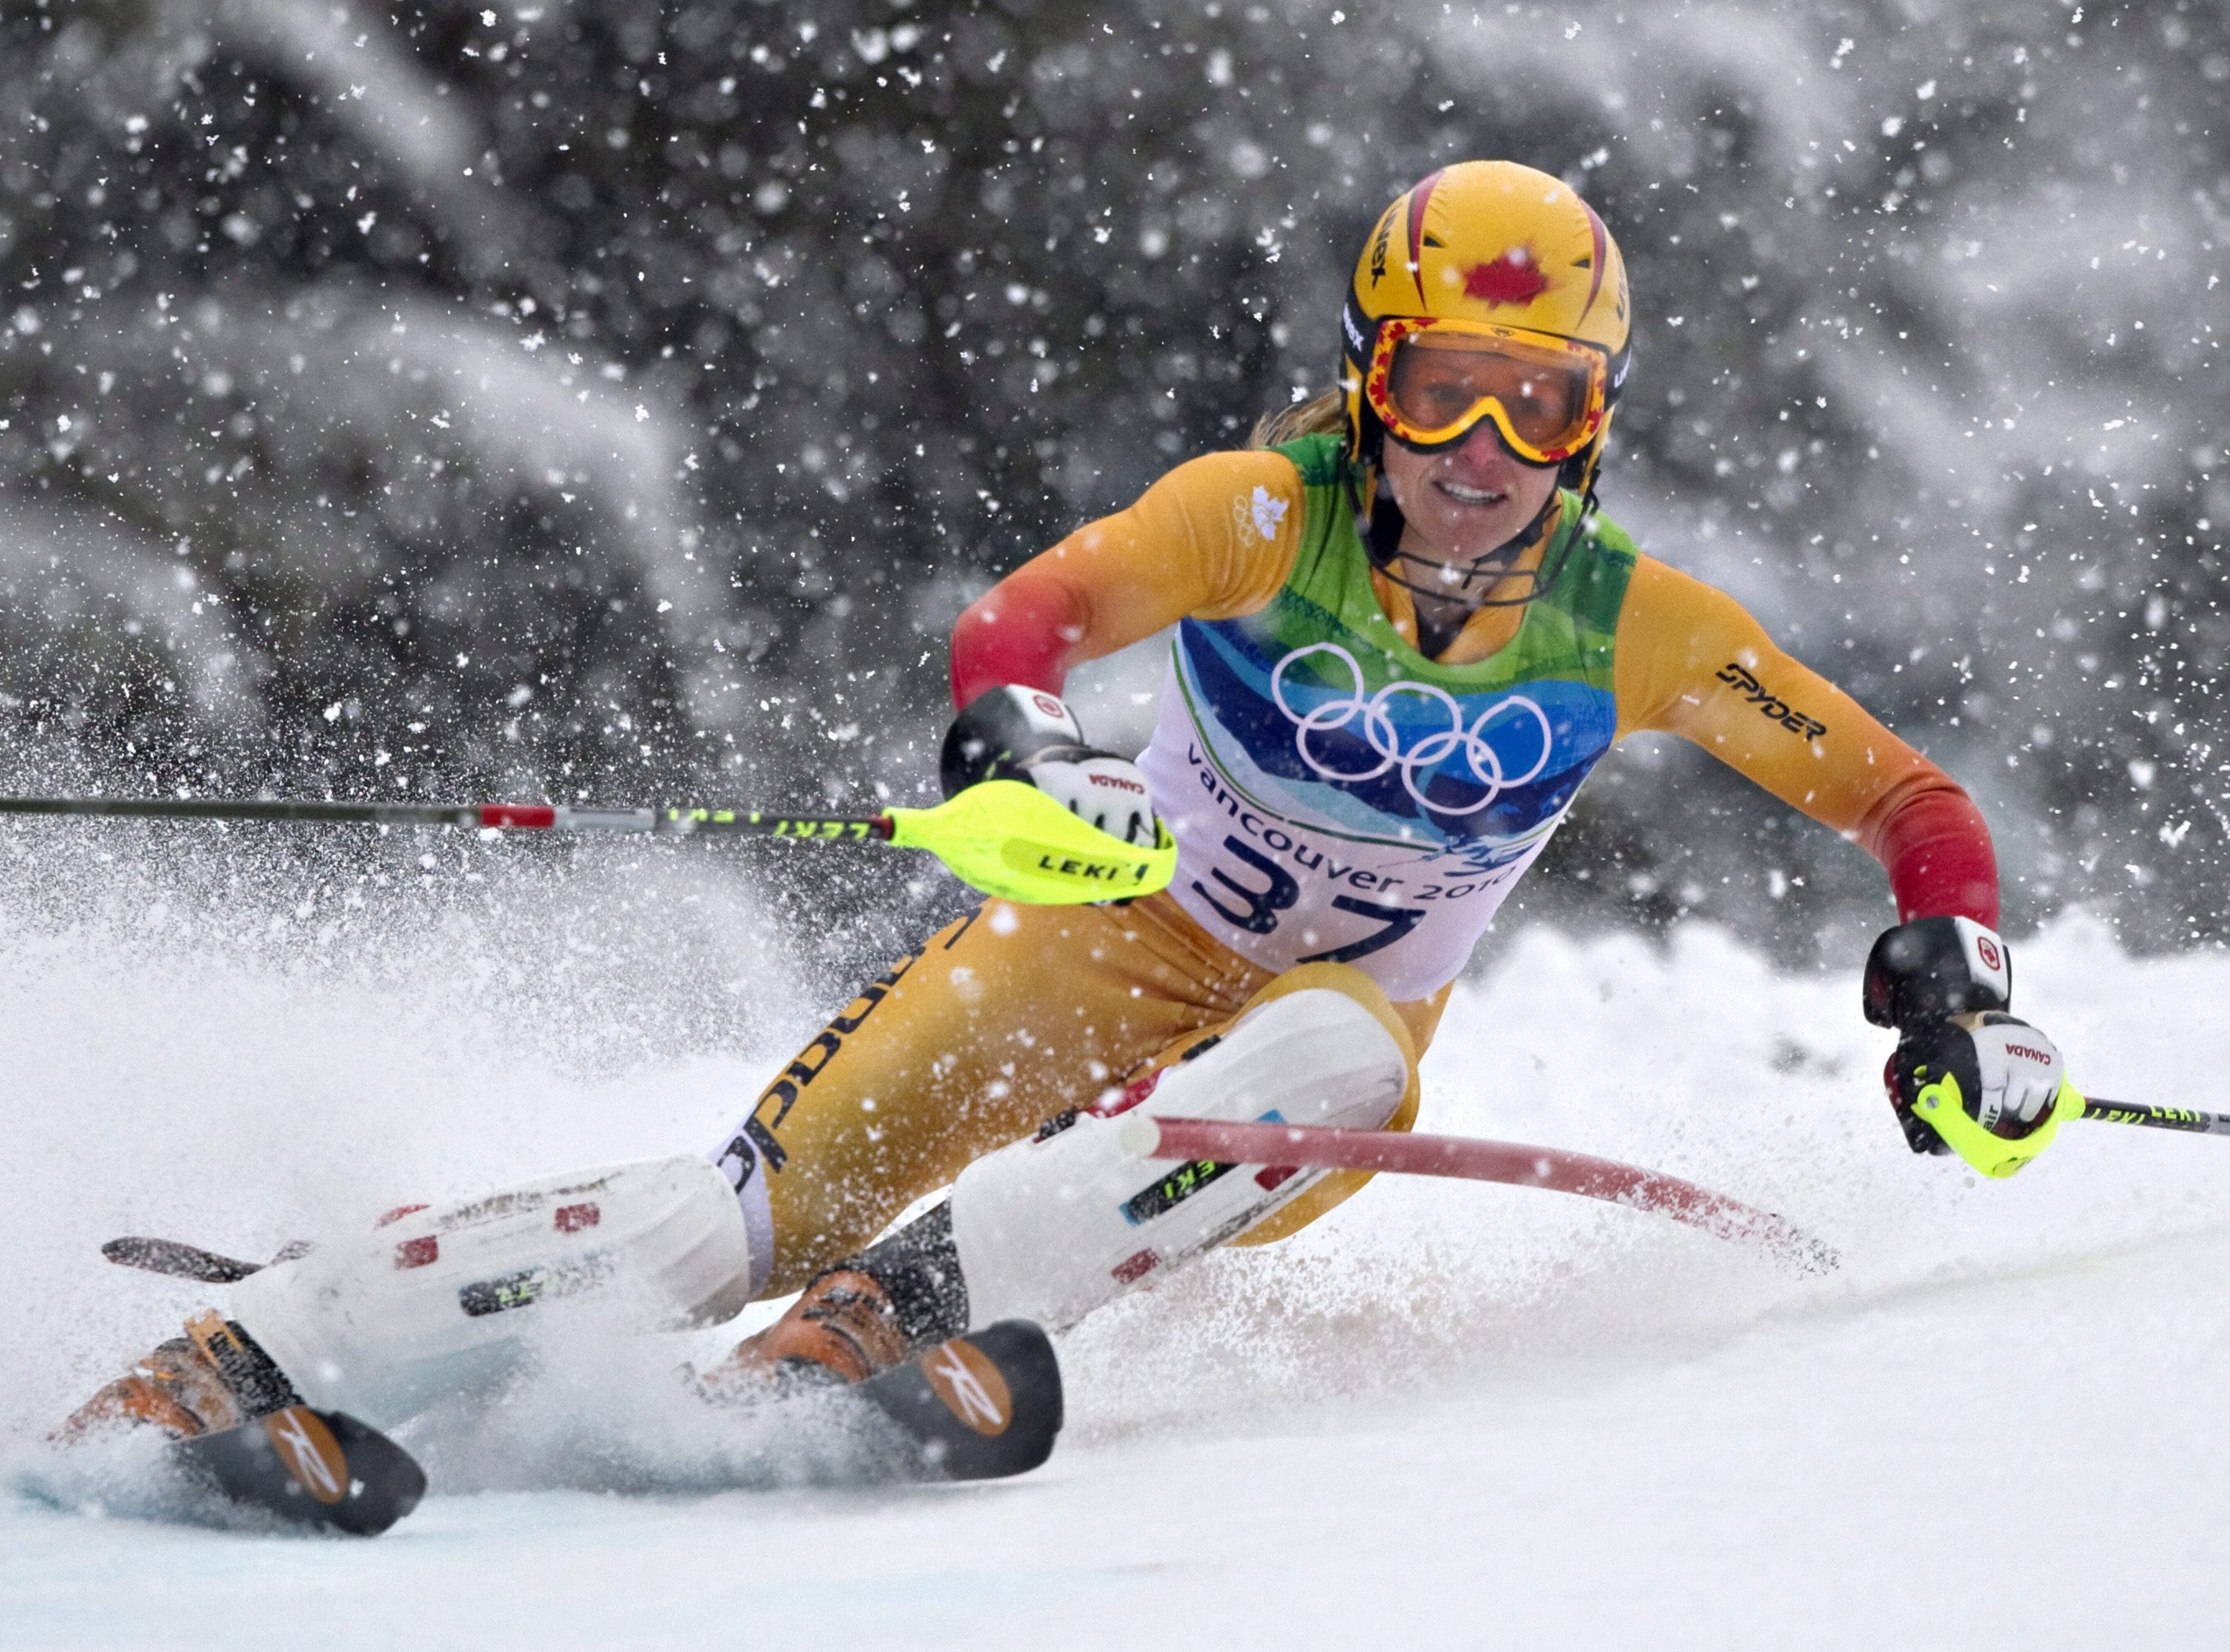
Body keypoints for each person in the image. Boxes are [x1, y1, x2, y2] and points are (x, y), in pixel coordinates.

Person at [62, 160, 2068, 1444]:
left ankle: (909, 1310)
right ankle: (271, 1349)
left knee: (1339, 1056)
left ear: (1592, 425)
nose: (1483, 447)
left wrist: (1957, 979)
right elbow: (1021, 621)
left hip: (1311, 1063)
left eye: (1539, 402)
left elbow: (1905, 798)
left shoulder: (1636, 626)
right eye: (1441, 384)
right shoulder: (1262, 515)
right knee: (732, 1219)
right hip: (1092, 950)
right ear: (1369, 378)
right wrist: (1020, 742)